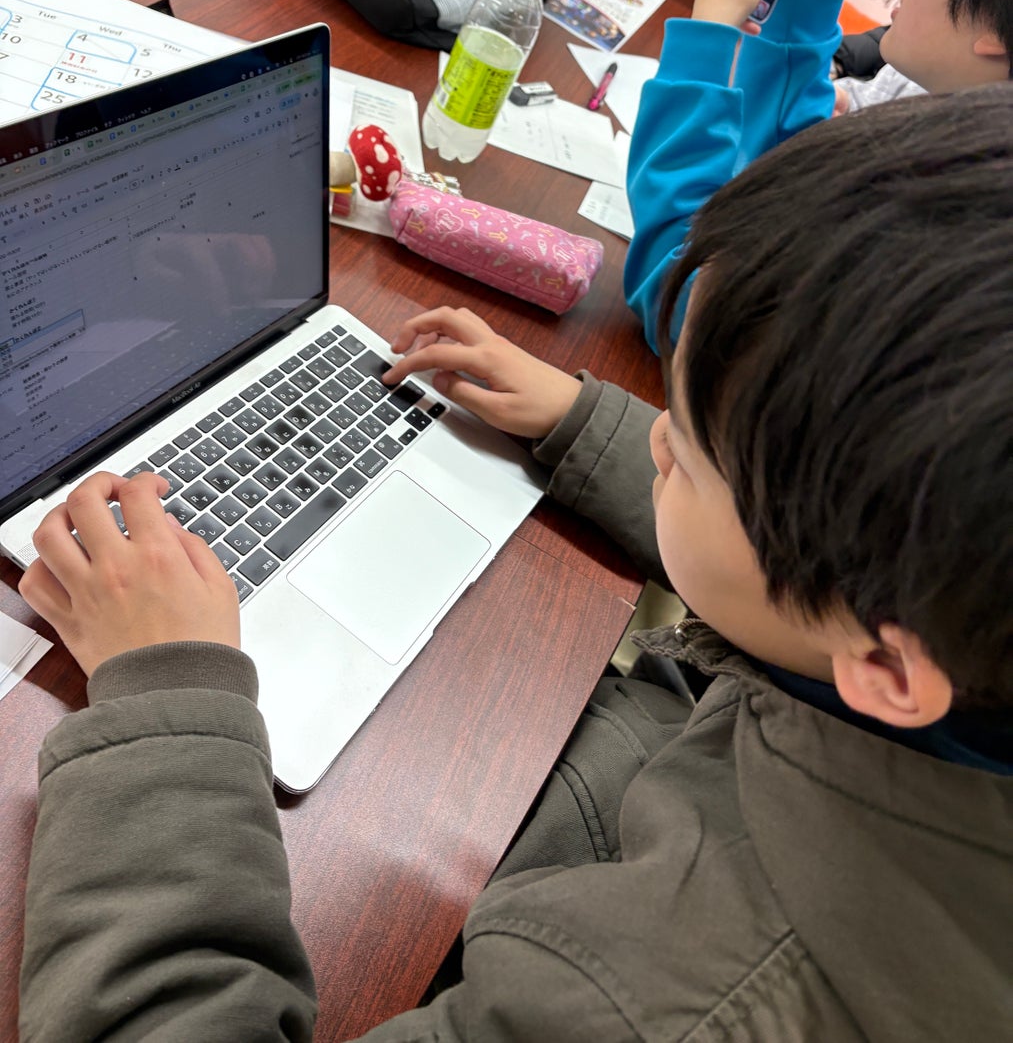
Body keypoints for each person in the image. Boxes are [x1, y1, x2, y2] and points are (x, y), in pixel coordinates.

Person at [18, 86, 1013, 1041]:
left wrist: (166, 688)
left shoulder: (675, 1002)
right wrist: (580, 418)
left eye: (687, 450)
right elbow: (786, 561)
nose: (657, 437)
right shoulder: (948, 641)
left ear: (886, 667)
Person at [625, 0, 1013, 349]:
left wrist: (708, 35)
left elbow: (691, 308)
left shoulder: (956, 229)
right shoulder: (938, 115)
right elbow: (780, 197)